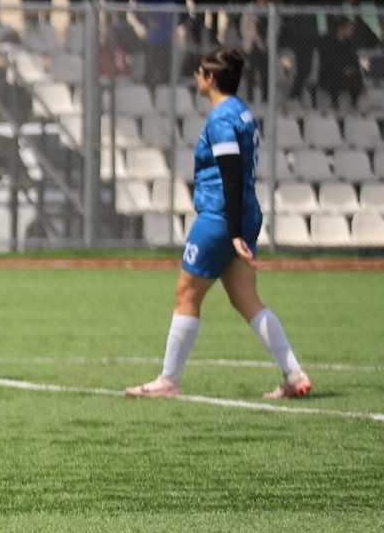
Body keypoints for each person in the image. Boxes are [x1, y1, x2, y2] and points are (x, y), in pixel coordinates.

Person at [126, 47, 312, 401]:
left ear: (210, 78)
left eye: (199, 71)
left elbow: (230, 172)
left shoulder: (222, 118)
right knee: (246, 298)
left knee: (186, 294)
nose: (196, 76)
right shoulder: (242, 112)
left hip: (221, 215)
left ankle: (168, 380)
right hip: (241, 210)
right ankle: (293, 373)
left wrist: (235, 231)